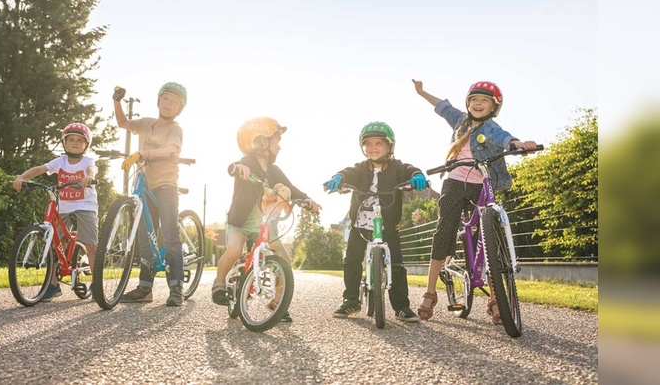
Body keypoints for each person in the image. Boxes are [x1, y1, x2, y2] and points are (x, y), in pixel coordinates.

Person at [411, 79, 538, 324]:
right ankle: (430, 293)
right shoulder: (460, 120)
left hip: (483, 183)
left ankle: (495, 299)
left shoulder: (492, 129)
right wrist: (422, 92)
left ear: (494, 107)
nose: (478, 104)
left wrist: (520, 145)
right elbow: (442, 106)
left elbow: (506, 140)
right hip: (456, 181)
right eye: (474, 100)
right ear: (468, 103)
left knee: (489, 236)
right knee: (445, 229)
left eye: (484, 101)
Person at [211, 117, 322, 323]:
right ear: (262, 142)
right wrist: (238, 169)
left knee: (284, 259)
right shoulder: (247, 163)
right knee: (234, 250)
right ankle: (219, 283)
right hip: (241, 221)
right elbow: (235, 165)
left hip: (265, 223)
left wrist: (306, 199)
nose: (279, 147)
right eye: (276, 141)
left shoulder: (274, 171)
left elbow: (291, 187)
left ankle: (278, 302)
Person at [324, 121, 427, 322]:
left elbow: (409, 169)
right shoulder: (361, 168)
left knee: (396, 263)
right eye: (368, 143)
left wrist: (416, 175)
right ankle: (351, 300)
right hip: (361, 222)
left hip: (388, 223)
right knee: (352, 259)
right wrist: (338, 177)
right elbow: (348, 172)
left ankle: (401, 307)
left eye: (378, 143)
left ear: (389, 146)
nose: (373, 147)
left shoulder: (396, 166)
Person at [113, 82, 188, 307]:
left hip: (166, 185)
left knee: (170, 234)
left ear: (179, 109)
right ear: (158, 100)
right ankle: (145, 288)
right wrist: (116, 101)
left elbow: (172, 149)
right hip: (144, 184)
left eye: (174, 102)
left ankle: (176, 288)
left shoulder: (175, 128)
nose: (168, 104)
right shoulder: (146, 123)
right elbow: (123, 123)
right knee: (145, 236)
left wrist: (143, 153)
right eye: (165, 99)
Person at [13, 123, 98, 302]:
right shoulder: (60, 161)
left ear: (86, 144)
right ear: (64, 143)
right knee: (54, 245)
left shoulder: (87, 162)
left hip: (85, 205)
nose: (75, 143)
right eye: (71, 140)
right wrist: (22, 177)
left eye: (79, 140)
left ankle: (96, 283)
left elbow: (92, 169)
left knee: (90, 244)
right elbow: (40, 169)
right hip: (65, 206)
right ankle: (52, 285)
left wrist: (89, 177)